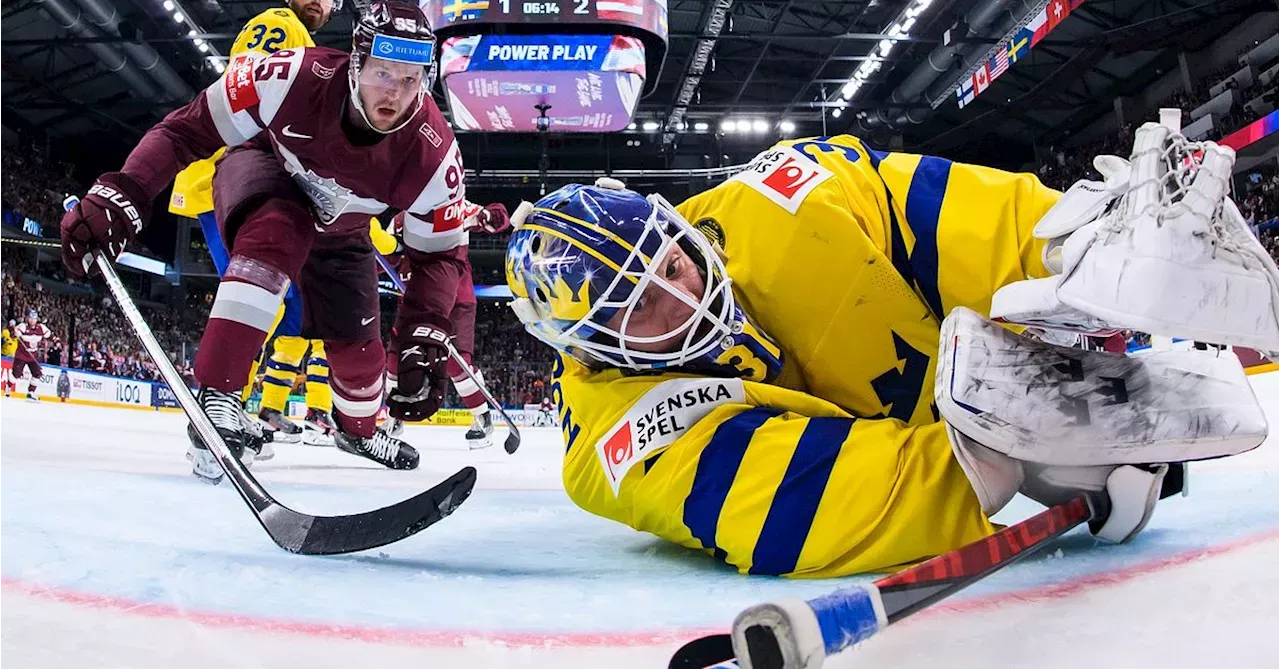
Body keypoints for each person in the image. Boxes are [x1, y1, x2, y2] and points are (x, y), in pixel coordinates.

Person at [503, 128, 1276, 577]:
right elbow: (803, 503)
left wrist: (1072, 246)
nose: (681, 294)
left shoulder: (778, 203)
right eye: (639, 308)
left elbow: (933, 209)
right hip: (945, 425)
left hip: (983, 349)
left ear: (675, 228)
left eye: (671, 263)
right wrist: (1003, 468)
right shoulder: (618, 442)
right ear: (595, 349)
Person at [60, 1, 471, 483]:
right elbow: (185, 130)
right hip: (267, 172)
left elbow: (440, 256)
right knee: (275, 235)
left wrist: (423, 334)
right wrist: (124, 191)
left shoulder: (435, 156)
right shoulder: (290, 76)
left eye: (410, 79)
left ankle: (358, 428)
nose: (395, 94)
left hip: (344, 228)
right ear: (356, 62)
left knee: (361, 359)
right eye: (383, 72)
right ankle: (218, 396)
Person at [168, 0, 340, 450]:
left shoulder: (303, 41)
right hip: (231, 174)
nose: (322, 4)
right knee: (254, 291)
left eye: (332, 1)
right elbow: (257, 98)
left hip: (243, 177)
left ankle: (228, 400)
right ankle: (218, 404)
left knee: (275, 300)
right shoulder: (279, 25)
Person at [381, 202, 509, 449]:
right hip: (413, 298)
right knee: (397, 360)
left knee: (456, 360)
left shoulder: (453, 208)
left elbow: (499, 217)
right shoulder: (399, 221)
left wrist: (489, 216)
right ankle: (395, 416)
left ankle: (482, 416)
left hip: (454, 298)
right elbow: (384, 261)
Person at [11, 310, 51, 401]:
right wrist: (15, 333)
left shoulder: (41, 327)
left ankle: (31, 392)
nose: (33, 320)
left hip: (33, 355)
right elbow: (13, 335)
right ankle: (8, 387)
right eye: (31, 318)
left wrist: (51, 337)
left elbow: (48, 334)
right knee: (16, 374)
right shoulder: (23, 326)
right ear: (27, 318)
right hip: (22, 355)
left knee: (37, 373)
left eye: (35, 318)